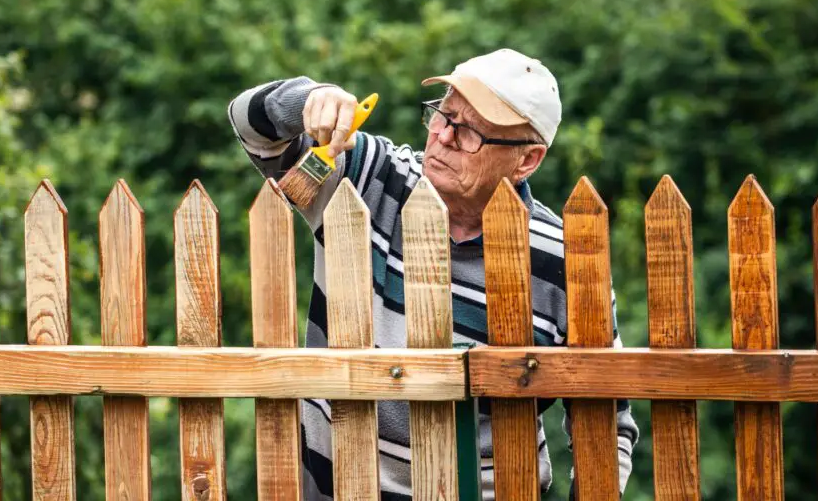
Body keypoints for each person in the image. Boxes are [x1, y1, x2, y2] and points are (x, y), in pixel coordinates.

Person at [228, 48, 638, 500]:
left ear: (527, 160)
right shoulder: (371, 179)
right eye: (442, 114)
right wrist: (307, 99)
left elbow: (608, 421)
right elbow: (250, 127)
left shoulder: (562, 259)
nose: (441, 136)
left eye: (468, 133)